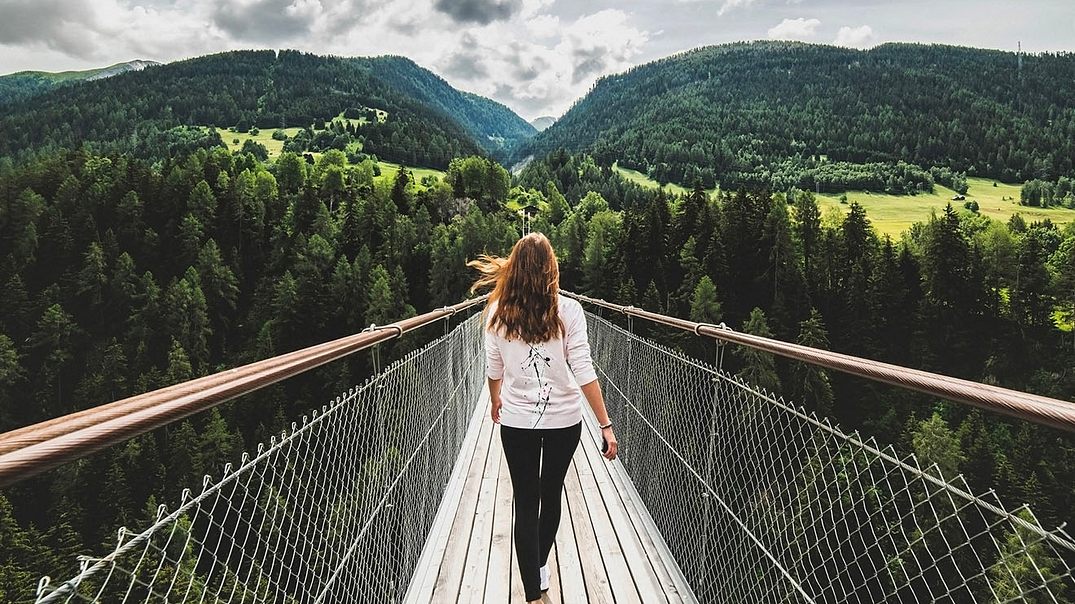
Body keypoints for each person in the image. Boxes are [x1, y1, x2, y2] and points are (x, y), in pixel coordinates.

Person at [467, 232, 618, 603]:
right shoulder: (569, 311)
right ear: (552, 268)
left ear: (514, 268)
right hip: (564, 422)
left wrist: (494, 399)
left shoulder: (496, 312)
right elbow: (583, 369)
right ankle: (538, 572)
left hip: (517, 422)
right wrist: (605, 424)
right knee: (550, 498)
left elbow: (493, 366)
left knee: (525, 501)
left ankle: (533, 592)